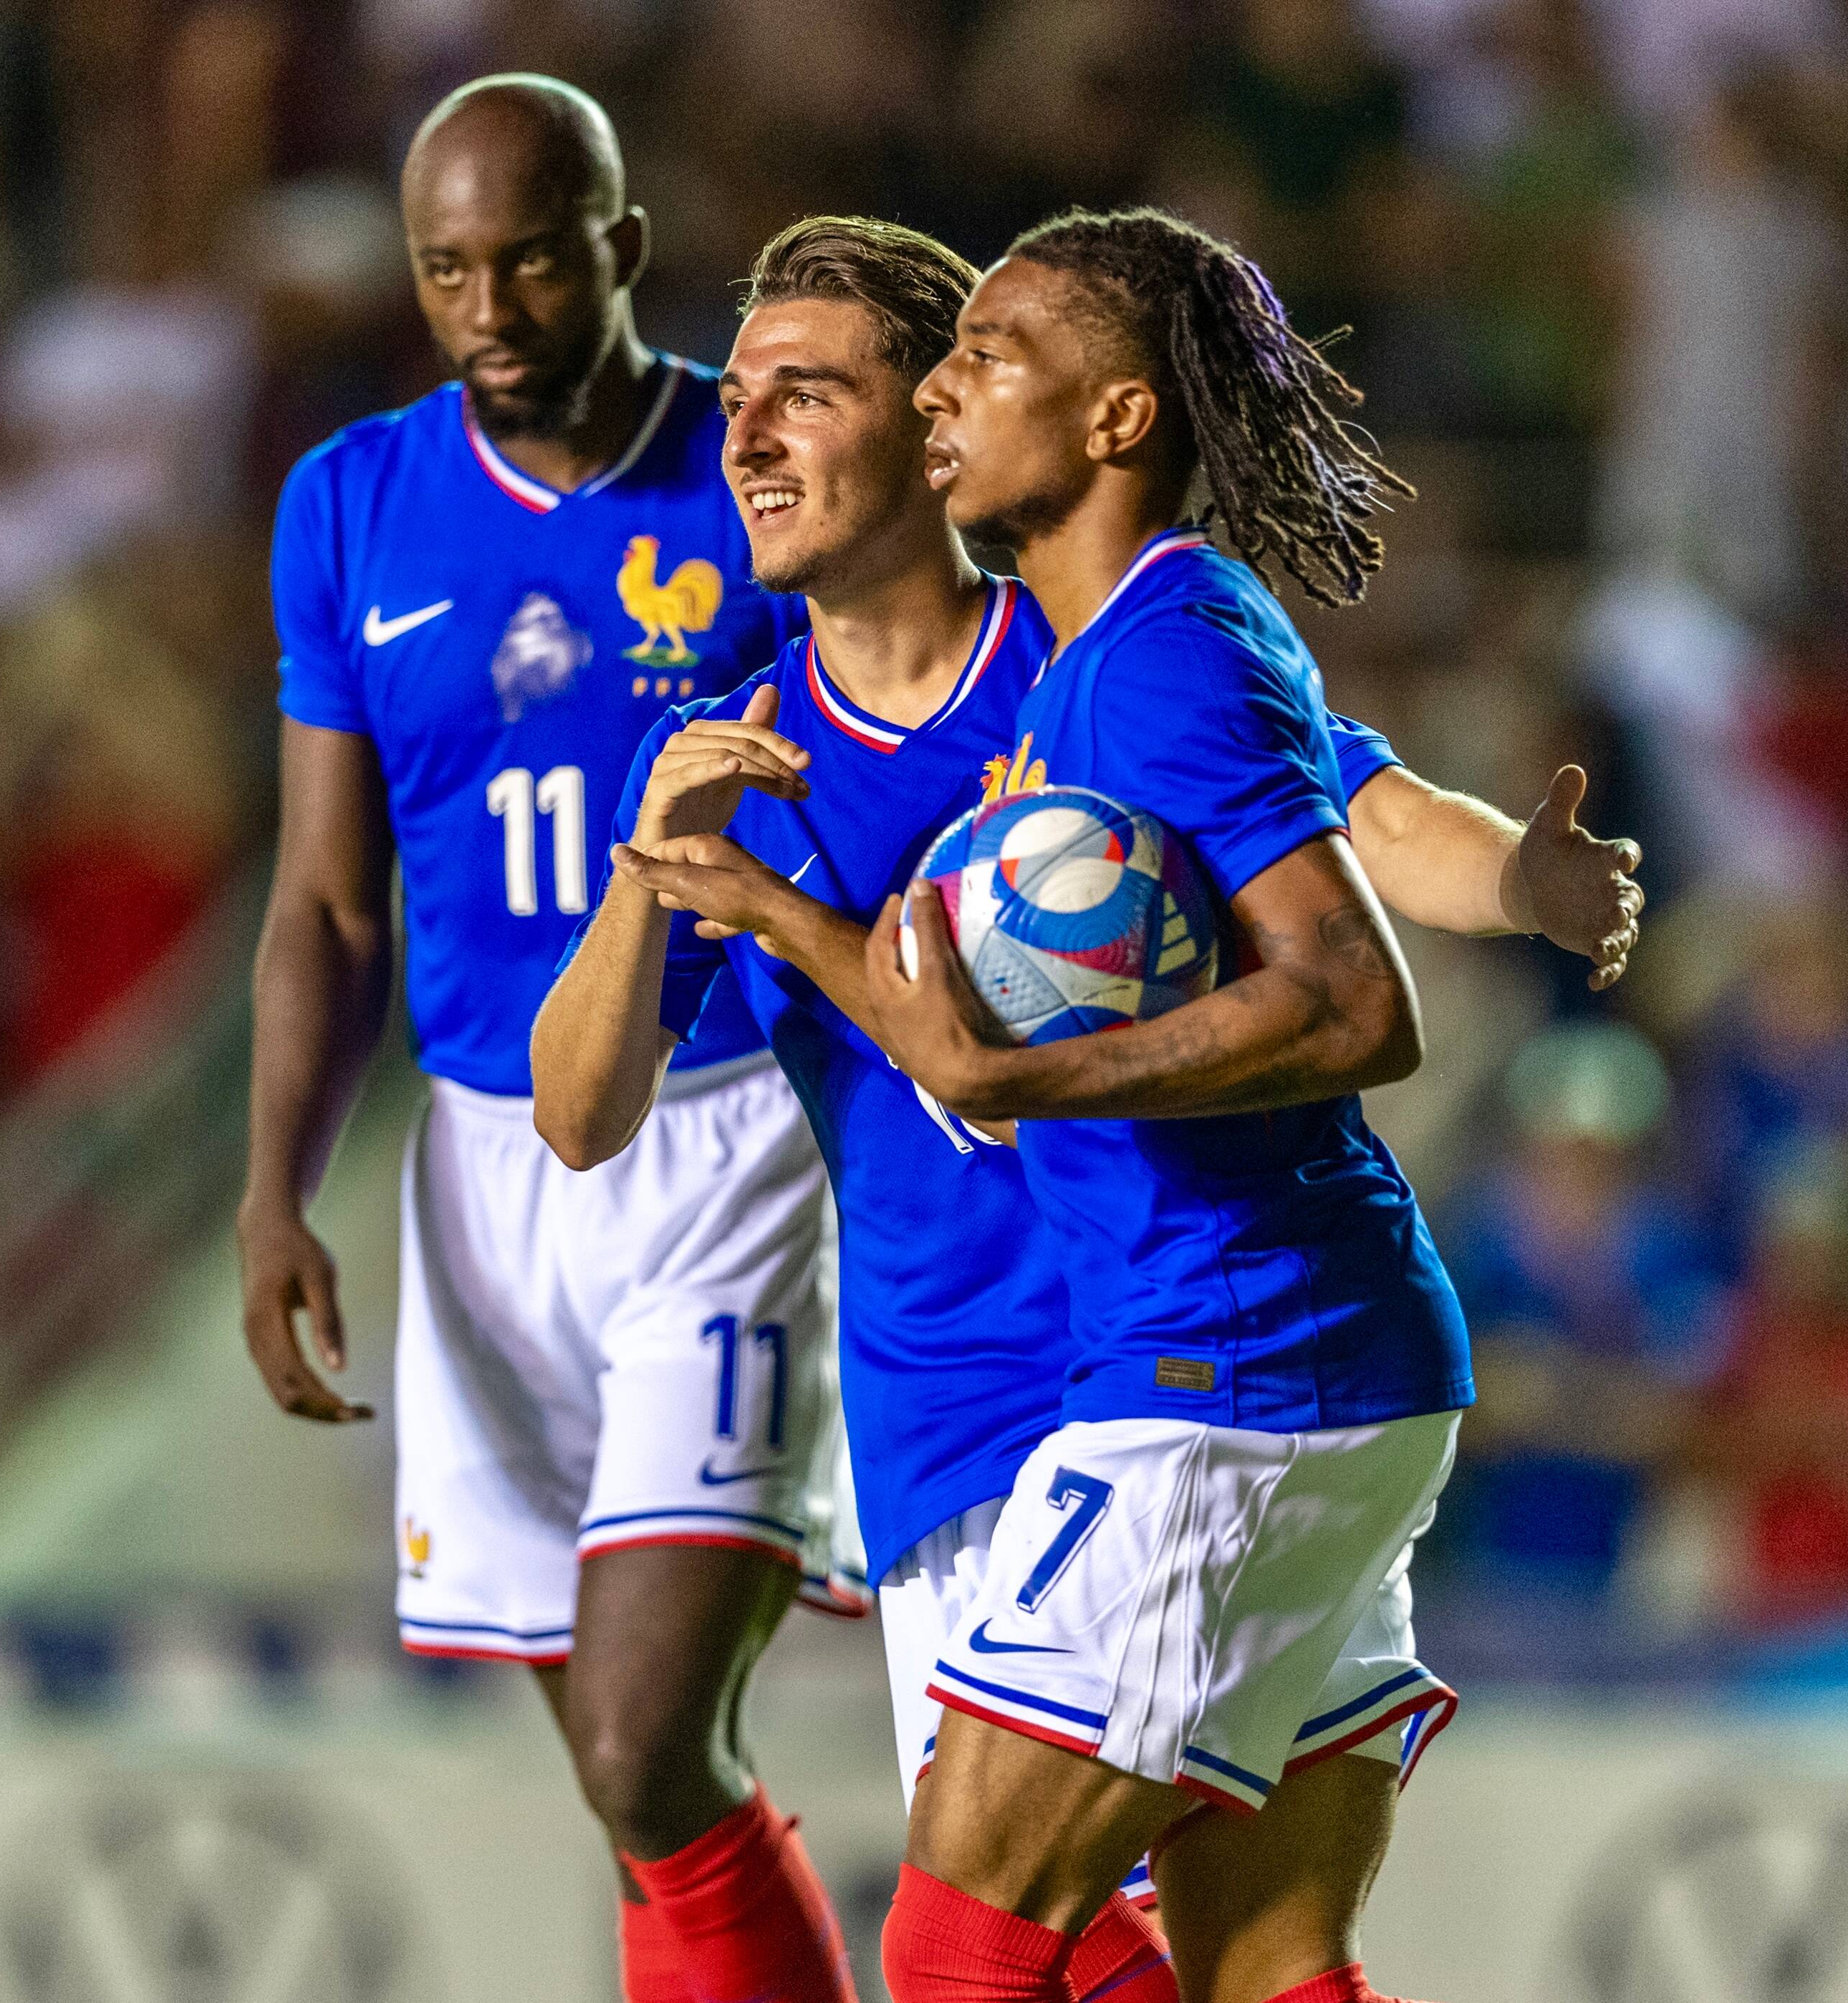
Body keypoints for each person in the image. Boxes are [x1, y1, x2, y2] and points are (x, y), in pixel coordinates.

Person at [534, 216, 1642, 2003]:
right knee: (1240, 1955)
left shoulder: (1108, 650)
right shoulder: (762, 756)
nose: (743, 433)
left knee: (983, 1944)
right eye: (734, 396)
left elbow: (1353, 826)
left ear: (925, 415)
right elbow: (580, 1112)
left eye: (807, 390)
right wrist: (654, 873)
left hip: (1173, 1366)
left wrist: (1513, 874)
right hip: (969, 1410)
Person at [857, 206, 1630, 2003]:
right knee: (1266, 1964)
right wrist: (1517, 874)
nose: (940, 390)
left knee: (961, 1946)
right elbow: (1360, 805)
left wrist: (1016, 1072)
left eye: (989, 355)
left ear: (1118, 416)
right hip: (1315, 1368)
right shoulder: (1138, 643)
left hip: (1228, 1369)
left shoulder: (1163, 653)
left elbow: (1351, 997)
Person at [234, 77, 854, 2003]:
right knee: (630, 1786)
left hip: (731, 1131)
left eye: (529, 262)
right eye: (445, 271)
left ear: (623, 249)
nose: (488, 309)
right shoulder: (348, 503)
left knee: (647, 1744)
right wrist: (273, 1185)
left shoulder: (761, 466)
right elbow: (330, 901)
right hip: (480, 1177)